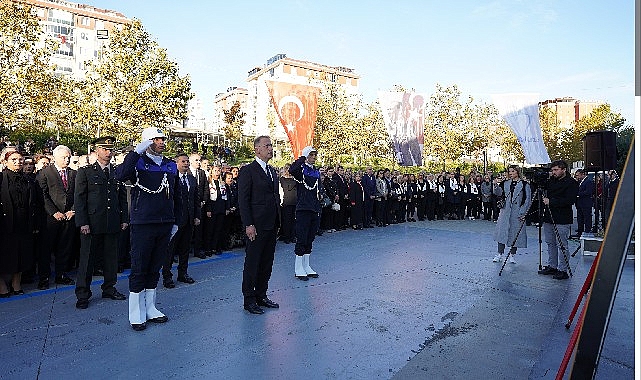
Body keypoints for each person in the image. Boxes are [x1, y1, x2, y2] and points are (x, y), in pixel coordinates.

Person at [115, 127, 177, 331]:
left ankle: (150, 308)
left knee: (155, 267)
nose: (161, 142)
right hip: (143, 222)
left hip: (164, 222)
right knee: (139, 267)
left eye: (162, 139)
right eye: (156, 139)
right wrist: (135, 152)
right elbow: (121, 175)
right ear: (147, 141)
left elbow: (176, 193)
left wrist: (176, 221)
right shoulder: (138, 162)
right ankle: (136, 313)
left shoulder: (170, 164)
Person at [73, 137, 129, 309]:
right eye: (104, 149)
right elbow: (80, 199)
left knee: (111, 258)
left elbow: (122, 198)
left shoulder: (117, 172)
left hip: (111, 221)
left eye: (110, 149)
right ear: (96, 150)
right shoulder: (85, 171)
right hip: (92, 222)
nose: (108, 152)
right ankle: (83, 294)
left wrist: (124, 219)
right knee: (87, 259)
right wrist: (83, 222)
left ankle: (109, 288)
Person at [238, 136, 281, 315]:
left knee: (267, 263)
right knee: (253, 263)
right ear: (256, 149)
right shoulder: (248, 171)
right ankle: (249, 299)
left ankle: (261, 295)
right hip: (256, 225)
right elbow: (243, 199)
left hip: (271, 225)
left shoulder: (271, 171)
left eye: (271, 145)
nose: (270, 148)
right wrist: (249, 224)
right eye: (267, 146)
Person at [0, 151, 42, 297]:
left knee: (22, 254)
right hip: (4, 224)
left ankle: (16, 283)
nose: (18, 162)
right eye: (14, 159)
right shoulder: (1, 178)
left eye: (20, 159)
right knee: (5, 255)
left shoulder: (28, 180)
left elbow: (34, 203)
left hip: (24, 223)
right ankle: (2, 286)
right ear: (5, 162)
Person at [37, 145, 77, 289]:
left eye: (68, 157)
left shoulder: (74, 174)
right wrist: (54, 212)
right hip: (50, 218)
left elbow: (79, 194)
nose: (67, 160)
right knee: (46, 249)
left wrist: (72, 210)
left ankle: (61, 274)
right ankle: (44, 277)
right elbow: (43, 195)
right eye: (64, 157)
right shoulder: (45, 173)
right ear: (55, 158)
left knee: (64, 247)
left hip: (68, 217)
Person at [162, 153, 201, 289]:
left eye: (187, 162)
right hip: (175, 221)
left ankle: (182, 273)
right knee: (170, 250)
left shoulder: (191, 179)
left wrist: (197, 216)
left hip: (189, 220)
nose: (186, 164)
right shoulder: (171, 179)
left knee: (185, 249)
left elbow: (195, 199)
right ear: (176, 163)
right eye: (183, 161)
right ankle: (167, 277)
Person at [538, 160, 579, 280]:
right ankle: (552, 265)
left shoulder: (571, 183)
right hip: (549, 217)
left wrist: (552, 202)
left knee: (562, 245)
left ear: (563, 169)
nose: (554, 172)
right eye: (552, 170)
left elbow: (569, 200)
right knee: (550, 243)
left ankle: (563, 269)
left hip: (562, 217)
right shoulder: (551, 181)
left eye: (556, 170)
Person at [289, 146, 323, 281]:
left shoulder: (316, 172)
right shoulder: (301, 170)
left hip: (314, 208)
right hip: (303, 208)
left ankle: (307, 266)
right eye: (312, 155)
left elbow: (319, 188)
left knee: (310, 238)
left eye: (315, 155)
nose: (314, 157)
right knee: (302, 238)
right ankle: (298, 268)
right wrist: (302, 158)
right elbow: (293, 169)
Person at [493, 166, 531, 264]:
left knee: (515, 233)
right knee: (502, 232)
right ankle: (499, 254)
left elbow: (527, 200)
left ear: (518, 172)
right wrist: (496, 185)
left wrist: (523, 212)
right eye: (509, 171)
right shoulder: (505, 183)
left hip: (517, 211)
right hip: (505, 211)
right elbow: (498, 193)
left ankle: (512, 255)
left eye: (513, 171)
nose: (511, 173)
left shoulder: (524, 184)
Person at [570, 169, 594, 239]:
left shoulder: (588, 182)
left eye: (578, 175)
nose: (577, 177)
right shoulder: (580, 182)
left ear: (582, 174)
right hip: (580, 203)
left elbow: (588, 192)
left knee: (587, 217)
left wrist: (577, 194)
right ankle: (580, 231)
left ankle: (587, 231)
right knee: (580, 218)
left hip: (586, 203)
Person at [278, 164, 297, 244]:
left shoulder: (282, 180)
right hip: (289, 201)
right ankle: (289, 237)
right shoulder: (293, 180)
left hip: (289, 201)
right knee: (289, 220)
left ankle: (289, 237)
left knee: (289, 220)